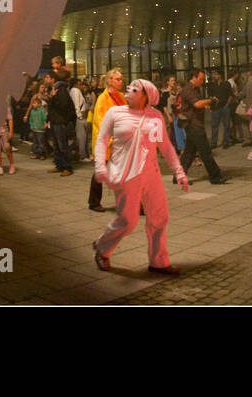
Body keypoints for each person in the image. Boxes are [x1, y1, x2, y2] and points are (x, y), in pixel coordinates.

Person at [92, 79, 188, 275]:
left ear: (146, 96)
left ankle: (159, 261)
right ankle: (102, 248)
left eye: (134, 89)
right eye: (129, 87)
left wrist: (179, 171)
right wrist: (100, 166)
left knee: (159, 218)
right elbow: (101, 140)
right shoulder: (115, 113)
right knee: (128, 220)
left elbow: (166, 147)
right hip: (126, 174)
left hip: (151, 174)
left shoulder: (155, 117)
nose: (128, 90)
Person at [176, 71, 227, 184]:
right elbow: (197, 104)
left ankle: (178, 176)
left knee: (189, 152)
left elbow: (198, 105)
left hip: (194, 123)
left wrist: (208, 105)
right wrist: (211, 100)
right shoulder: (189, 89)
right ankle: (215, 176)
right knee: (205, 152)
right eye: (201, 79)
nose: (202, 81)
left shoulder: (195, 89)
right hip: (193, 124)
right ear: (194, 78)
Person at [88, 69, 127, 211]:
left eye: (121, 79)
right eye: (117, 79)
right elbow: (101, 122)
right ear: (109, 81)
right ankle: (93, 202)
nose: (120, 82)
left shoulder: (121, 97)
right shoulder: (102, 99)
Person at [47, 59, 76, 175]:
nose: (46, 79)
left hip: (60, 121)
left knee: (62, 144)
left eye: (48, 77)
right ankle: (59, 165)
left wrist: (52, 98)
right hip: (55, 121)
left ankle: (67, 167)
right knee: (56, 145)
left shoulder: (61, 89)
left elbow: (63, 106)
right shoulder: (55, 89)